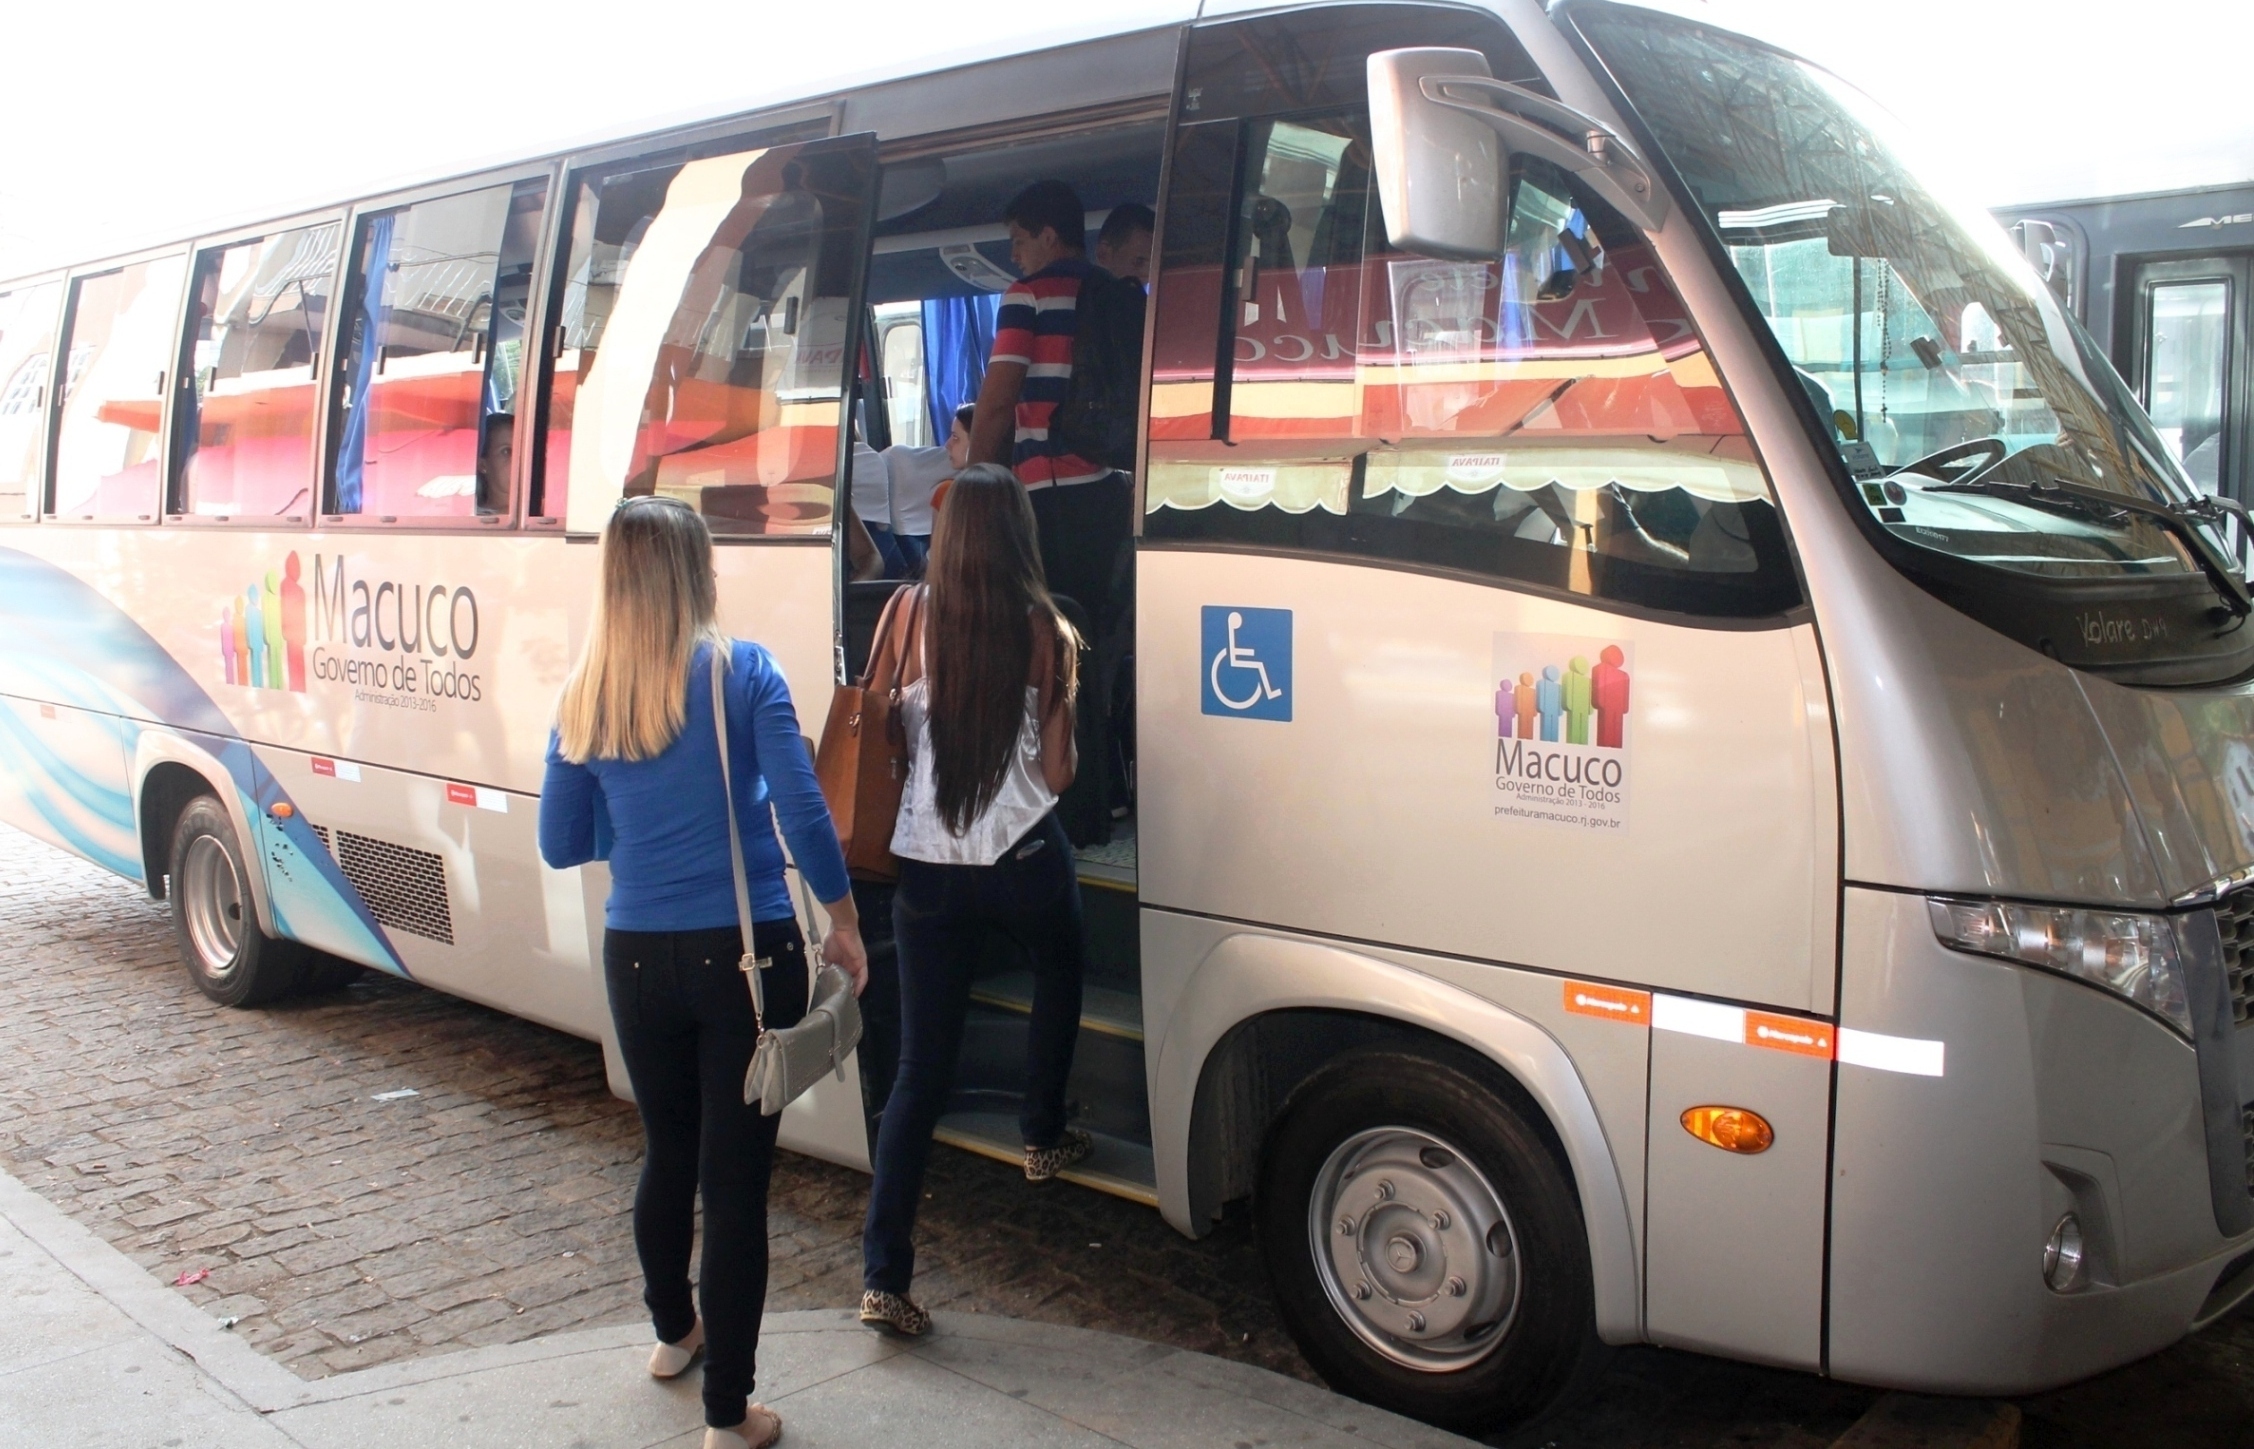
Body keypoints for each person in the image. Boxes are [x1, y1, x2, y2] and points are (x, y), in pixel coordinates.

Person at [538, 495, 869, 1449]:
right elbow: (803, 817)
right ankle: (730, 1414)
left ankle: (672, 1332)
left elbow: (562, 841)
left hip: (635, 953)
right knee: (734, 1186)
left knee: (666, 1151)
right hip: (746, 955)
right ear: (696, 572)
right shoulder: (744, 671)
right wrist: (842, 920)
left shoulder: (585, 695)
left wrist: (639, 828)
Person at [857, 464, 1091, 1338]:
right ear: (1019, 535)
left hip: (927, 868)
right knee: (1064, 959)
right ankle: (1042, 1131)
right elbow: (1059, 775)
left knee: (921, 1068)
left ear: (950, 534)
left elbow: (877, 727)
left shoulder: (903, 613)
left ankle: (885, 1273)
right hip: (1022, 854)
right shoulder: (1047, 629)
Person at [967, 180, 1132, 642]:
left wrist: (973, 485)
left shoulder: (1028, 295)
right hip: (1110, 486)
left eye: (1020, 241)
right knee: (1103, 626)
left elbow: (999, 400)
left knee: (1054, 632)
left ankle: (1064, 715)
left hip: (1052, 490)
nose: (1015, 256)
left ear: (1048, 236)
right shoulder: (1113, 290)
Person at [1092, 202, 1154, 287]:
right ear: (1103, 254)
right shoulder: (1075, 296)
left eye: (1156, 268)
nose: (1148, 277)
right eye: (1138, 262)